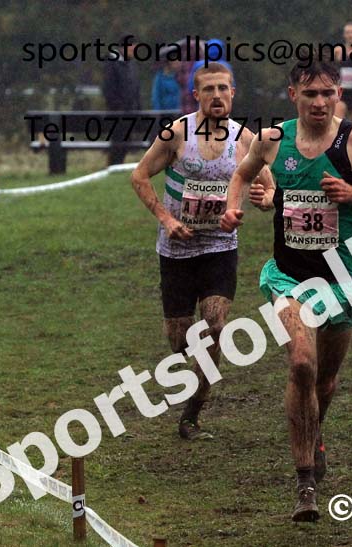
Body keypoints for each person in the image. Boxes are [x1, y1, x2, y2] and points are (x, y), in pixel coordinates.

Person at [220, 59, 352, 521]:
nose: (320, 103)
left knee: (324, 380)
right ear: (293, 97)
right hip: (289, 276)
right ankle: (305, 483)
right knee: (302, 362)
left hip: (342, 280)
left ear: (338, 95)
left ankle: (313, 432)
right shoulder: (272, 140)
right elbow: (243, 174)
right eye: (310, 95)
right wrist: (235, 207)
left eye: (328, 94)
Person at [130, 64, 274, 440]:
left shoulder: (246, 139)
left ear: (233, 92)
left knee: (213, 327)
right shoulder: (176, 133)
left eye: (223, 88)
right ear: (196, 95)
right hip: (176, 250)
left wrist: (263, 198)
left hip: (219, 247)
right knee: (179, 344)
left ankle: (191, 416)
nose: (216, 95)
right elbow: (139, 175)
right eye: (208, 89)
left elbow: (269, 190)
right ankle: (185, 356)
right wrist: (166, 219)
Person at [103, 35, 141, 165]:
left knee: (125, 144)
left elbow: (135, 88)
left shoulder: (130, 64)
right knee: (118, 144)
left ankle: (117, 166)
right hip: (118, 113)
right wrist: (119, 107)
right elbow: (109, 89)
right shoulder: (113, 64)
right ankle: (114, 166)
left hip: (131, 112)